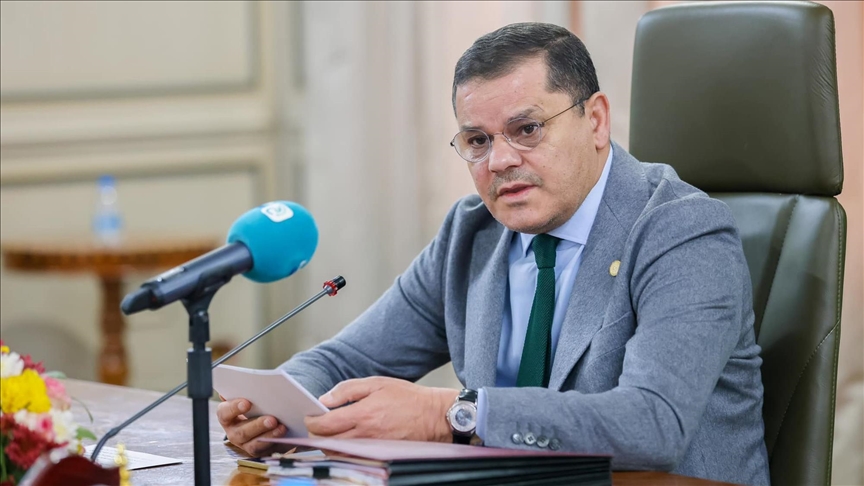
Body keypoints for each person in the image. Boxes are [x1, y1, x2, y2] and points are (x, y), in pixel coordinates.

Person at [218, 22, 770, 485]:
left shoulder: (682, 231)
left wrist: (448, 414)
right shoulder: (471, 233)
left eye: (526, 129)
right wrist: (275, 410)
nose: (500, 161)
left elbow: (653, 425)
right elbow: (342, 363)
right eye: (478, 141)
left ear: (597, 120)